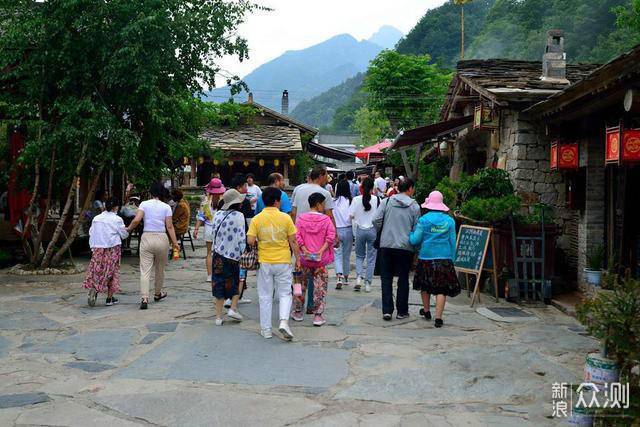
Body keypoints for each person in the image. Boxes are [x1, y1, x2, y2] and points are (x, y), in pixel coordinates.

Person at [247, 187, 299, 340]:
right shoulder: (285, 218)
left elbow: (250, 240)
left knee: (265, 295)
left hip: (265, 261)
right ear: (277, 201)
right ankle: (283, 321)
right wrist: (298, 258)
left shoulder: (257, 219)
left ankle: (266, 329)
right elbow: (293, 241)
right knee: (285, 293)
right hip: (283, 260)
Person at [409, 191, 460, 328]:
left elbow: (415, 240)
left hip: (426, 257)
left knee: (424, 285)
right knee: (441, 289)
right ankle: (438, 318)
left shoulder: (423, 220)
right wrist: (452, 259)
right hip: (444, 258)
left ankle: (426, 311)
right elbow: (452, 241)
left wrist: (410, 234)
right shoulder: (449, 221)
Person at [127, 183, 180, 310]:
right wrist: (175, 243)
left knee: (145, 270)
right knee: (160, 268)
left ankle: (144, 298)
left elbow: (136, 220)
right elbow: (169, 227)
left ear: (150, 193)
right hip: (162, 238)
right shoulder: (166, 207)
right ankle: (157, 293)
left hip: (147, 237)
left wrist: (128, 229)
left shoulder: (144, 204)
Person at [373, 178, 420, 320]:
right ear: (410, 188)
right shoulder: (414, 206)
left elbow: (376, 220)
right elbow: (417, 227)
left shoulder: (386, 202)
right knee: (403, 278)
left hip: (386, 245)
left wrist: (384, 230)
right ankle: (402, 311)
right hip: (405, 247)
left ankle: (387, 310)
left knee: (386, 278)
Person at [291, 165, 336, 314]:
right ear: (321, 176)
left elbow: (293, 213)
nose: (327, 178)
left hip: (300, 239)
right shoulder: (324, 193)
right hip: (319, 243)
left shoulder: (298, 190)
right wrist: (335, 235)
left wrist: (294, 239)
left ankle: (297, 308)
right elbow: (329, 216)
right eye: (326, 175)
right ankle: (314, 307)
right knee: (318, 278)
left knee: (299, 277)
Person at [83, 197, 129, 307]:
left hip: (98, 248)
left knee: (96, 269)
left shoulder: (96, 219)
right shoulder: (117, 219)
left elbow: (91, 232)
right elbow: (124, 235)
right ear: (115, 207)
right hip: (112, 248)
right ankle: (109, 298)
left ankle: (94, 287)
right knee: (112, 271)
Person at [211, 189, 247, 326]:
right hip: (233, 255)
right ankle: (232, 308)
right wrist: (243, 252)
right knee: (236, 281)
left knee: (218, 283)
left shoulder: (217, 214)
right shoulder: (239, 216)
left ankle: (218, 317)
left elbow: (215, 233)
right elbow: (240, 236)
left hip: (218, 255)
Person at [350, 177, 380, 293]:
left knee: (359, 256)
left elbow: (351, 215)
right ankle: (368, 283)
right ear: (373, 188)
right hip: (372, 230)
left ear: (361, 188)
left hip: (360, 230)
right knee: (371, 258)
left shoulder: (356, 200)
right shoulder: (377, 200)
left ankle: (358, 278)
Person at [194, 178, 225, 282]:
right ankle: (219, 273)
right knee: (220, 252)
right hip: (221, 228)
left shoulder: (205, 202)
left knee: (209, 253)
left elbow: (200, 217)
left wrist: (196, 229)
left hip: (208, 228)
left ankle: (209, 275)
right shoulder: (224, 202)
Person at [333, 179, 353, 290]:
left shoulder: (333, 202)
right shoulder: (351, 201)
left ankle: (339, 276)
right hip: (348, 230)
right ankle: (346, 277)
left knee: (337, 255)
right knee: (346, 256)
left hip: (337, 230)